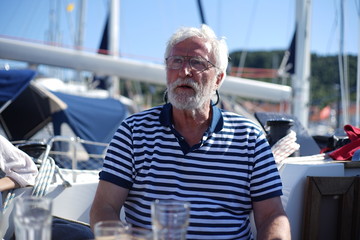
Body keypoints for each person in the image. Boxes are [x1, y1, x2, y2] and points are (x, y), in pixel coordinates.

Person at [90, 24, 291, 239]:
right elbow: (104, 208)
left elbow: (272, 216)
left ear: (218, 79)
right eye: (176, 61)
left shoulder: (249, 138)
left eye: (197, 63)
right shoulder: (133, 132)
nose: (184, 71)